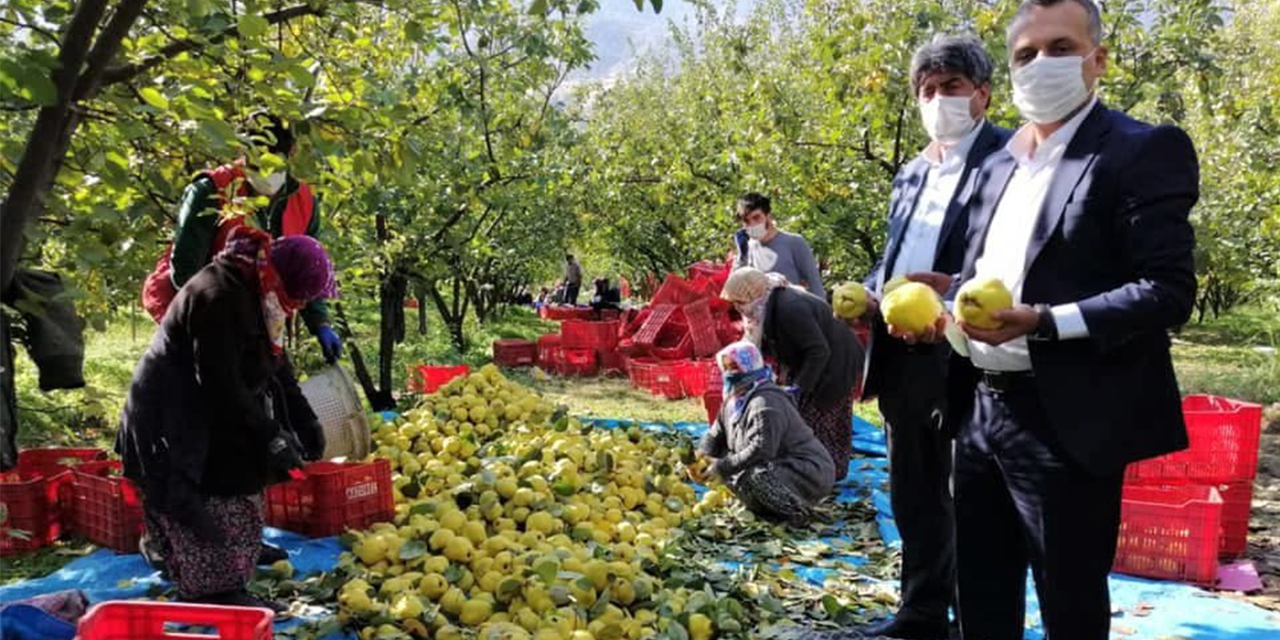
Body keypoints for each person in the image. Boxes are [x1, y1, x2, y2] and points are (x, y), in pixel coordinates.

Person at [946, 2, 1199, 639]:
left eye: (1060, 47)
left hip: (1064, 418)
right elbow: (981, 276)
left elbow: (1165, 290)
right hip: (979, 409)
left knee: (1069, 602)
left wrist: (1045, 322)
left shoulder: (1140, 150)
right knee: (977, 590)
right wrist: (942, 304)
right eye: (1025, 54)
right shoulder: (996, 162)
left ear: (1098, 59)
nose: (1041, 64)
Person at [854, 35, 1011, 640]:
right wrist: (872, 293)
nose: (937, 100)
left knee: (968, 497)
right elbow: (896, 259)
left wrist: (954, 290)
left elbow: (1019, 259)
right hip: (900, 352)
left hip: (965, 353)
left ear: (982, 94)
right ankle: (921, 613)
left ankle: (977, 623)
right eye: (927, 90)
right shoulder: (912, 173)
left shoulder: (1007, 161)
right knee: (913, 490)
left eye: (950, 88)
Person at [117, 228, 336, 611]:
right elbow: (221, 384)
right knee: (217, 490)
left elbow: (276, 365)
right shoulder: (219, 296)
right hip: (173, 417)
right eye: (298, 296)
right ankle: (216, 591)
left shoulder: (258, 290)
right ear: (281, 276)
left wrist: (306, 421)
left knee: (241, 474)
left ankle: (214, 566)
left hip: (204, 408)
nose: (298, 305)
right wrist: (271, 436)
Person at [141, 112, 343, 363]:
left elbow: (305, 270)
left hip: (260, 319)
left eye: (273, 161)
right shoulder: (212, 190)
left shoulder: (304, 202)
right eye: (256, 162)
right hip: (199, 311)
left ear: (291, 152)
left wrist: (320, 323)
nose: (265, 172)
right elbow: (185, 271)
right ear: (242, 149)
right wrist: (218, 330)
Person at [721, 267, 862, 481]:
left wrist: (798, 388)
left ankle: (823, 477)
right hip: (813, 360)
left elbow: (818, 351)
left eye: (739, 302)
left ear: (756, 295)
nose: (738, 308)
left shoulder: (790, 307)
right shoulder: (768, 306)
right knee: (801, 417)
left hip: (836, 361)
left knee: (818, 420)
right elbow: (775, 342)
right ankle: (817, 473)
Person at [693, 341, 835, 525]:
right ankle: (767, 509)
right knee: (735, 473)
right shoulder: (732, 401)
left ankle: (798, 514)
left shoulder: (765, 403)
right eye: (726, 368)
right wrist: (701, 458)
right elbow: (715, 435)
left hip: (805, 470)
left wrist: (721, 467)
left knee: (755, 477)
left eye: (735, 367)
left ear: (750, 367)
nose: (729, 374)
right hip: (775, 464)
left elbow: (762, 449)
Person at [733, 193, 826, 299]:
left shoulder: (794, 242)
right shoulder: (748, 248)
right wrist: (741, 257)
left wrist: (822, 313)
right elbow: (736, 291)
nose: (752, 224)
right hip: (766, 314)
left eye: (756, 217)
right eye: (746, 221)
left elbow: (815, 286)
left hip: (797, 311)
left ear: (769, 216)